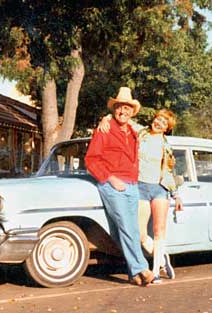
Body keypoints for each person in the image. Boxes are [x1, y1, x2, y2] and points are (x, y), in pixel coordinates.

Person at [98, 108, 184, 284]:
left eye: (164, 122)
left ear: (167, 128)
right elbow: (123, 119)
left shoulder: (166, 145)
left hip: (160, 189)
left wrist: (176, 195)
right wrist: (105, 118)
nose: (159, 123)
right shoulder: (141, 133)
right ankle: (161, 259)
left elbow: (169, 170)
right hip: (140, 187)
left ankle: (156, 272)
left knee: (159, 231)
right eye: (158, 119)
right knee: (140, 233)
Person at [85, 87, 154, 287]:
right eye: (118, 108)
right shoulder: (104, 130)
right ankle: (141, 268)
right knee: (128, 228)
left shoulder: (133, 131)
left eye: (126, 108)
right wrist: (110, 179)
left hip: (133, 185)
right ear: (113, 110)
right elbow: (91, 160)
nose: (122, 111)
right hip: (113, 185)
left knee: (125, 230)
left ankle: (134, 273)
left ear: (132, 112)